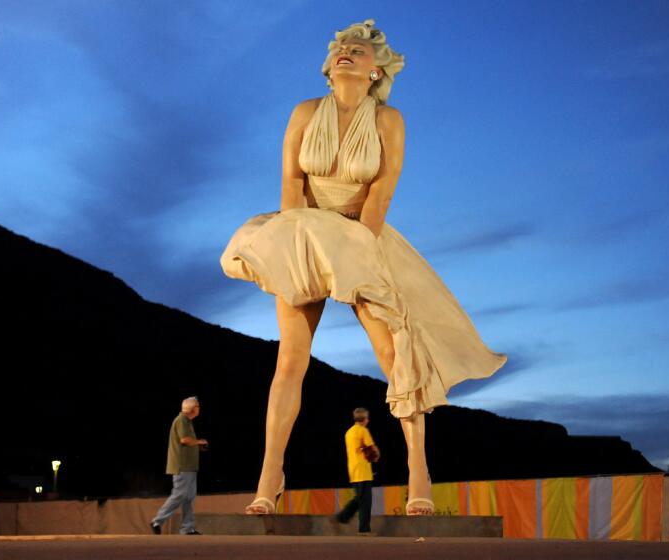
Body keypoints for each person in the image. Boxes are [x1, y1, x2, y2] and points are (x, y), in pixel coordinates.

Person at [221, 19, 506, 516]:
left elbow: (381, 192)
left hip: (361, 235)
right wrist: (295, 243)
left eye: (359, 50)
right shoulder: (306, 111)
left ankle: (419, 470)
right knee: (290, 358)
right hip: (305, 231)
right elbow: (291, 182)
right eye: (341, 50)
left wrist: (358, 252)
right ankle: (270, 476)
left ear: (376, 71)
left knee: (395, 355)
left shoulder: (389, 119)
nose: (347, 53)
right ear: (330, 67)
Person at [150, 397, 208, 535]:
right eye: (198, 406)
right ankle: (157, 521)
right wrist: (199, 442)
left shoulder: (187, 421)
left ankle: (187, 528)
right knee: (179, 495)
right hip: (182, 466)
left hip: (190, 466)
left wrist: (198, 446)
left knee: (189, 498)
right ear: (192, 408)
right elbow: (184, 439)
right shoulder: (182, 420)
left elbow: (187, 442)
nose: (199, 408)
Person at [336, 408, 377, 533]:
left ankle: (343, 517)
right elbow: (372, 450)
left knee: (359, 499)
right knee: (365, 502)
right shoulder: (363, 431)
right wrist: (376, 455)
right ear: (365, 420)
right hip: (363, 471)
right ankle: (362, 528)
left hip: (353, 471)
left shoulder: (348, 432)